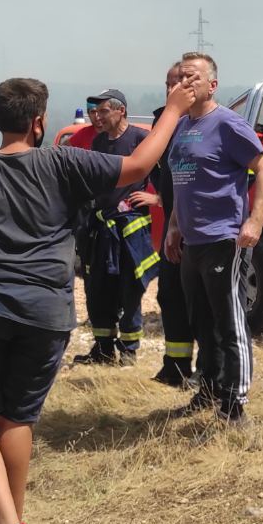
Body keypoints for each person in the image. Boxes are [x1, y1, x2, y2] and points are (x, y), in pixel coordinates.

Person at [0, 75, 196, 524]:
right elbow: (137, 167)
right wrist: (174, 111)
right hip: (47, 312)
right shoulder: (64, 161)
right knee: (16, 416)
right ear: (39, 121)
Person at [164, 52, 263, 424]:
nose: (186, 82)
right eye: (181, 76)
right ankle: (209, 389)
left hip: (223, 239)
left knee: (229, 322)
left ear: (213, 85)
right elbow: (183, 182)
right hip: (192, 241)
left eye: (194, 76)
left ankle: (234, 402)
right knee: (201, 323)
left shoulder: (228, 124)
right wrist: (174, 226)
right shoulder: (181, 127)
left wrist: (255, 222)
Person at [74, 89, 159, 365]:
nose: (97, 117)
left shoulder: (140, 139)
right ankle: (103, 349)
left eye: (103, 112)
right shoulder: (98, 142)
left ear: (120, 110)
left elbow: (167, 175)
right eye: (94, 112)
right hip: (100, 229)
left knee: (130, 289)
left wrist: (157, 198)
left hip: (130, 229)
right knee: (99, 289)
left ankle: (129, 350)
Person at [148, 63, 195, 387]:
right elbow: (155, 166)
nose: (170, 90)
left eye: (176, 83)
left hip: (202, 228)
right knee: (170, 294)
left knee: (201, 300)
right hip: (172, 226)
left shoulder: (207, 121)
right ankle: (175, 366)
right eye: (167, 84)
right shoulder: (162, 120)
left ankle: (209, 371)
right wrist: (163, 197)